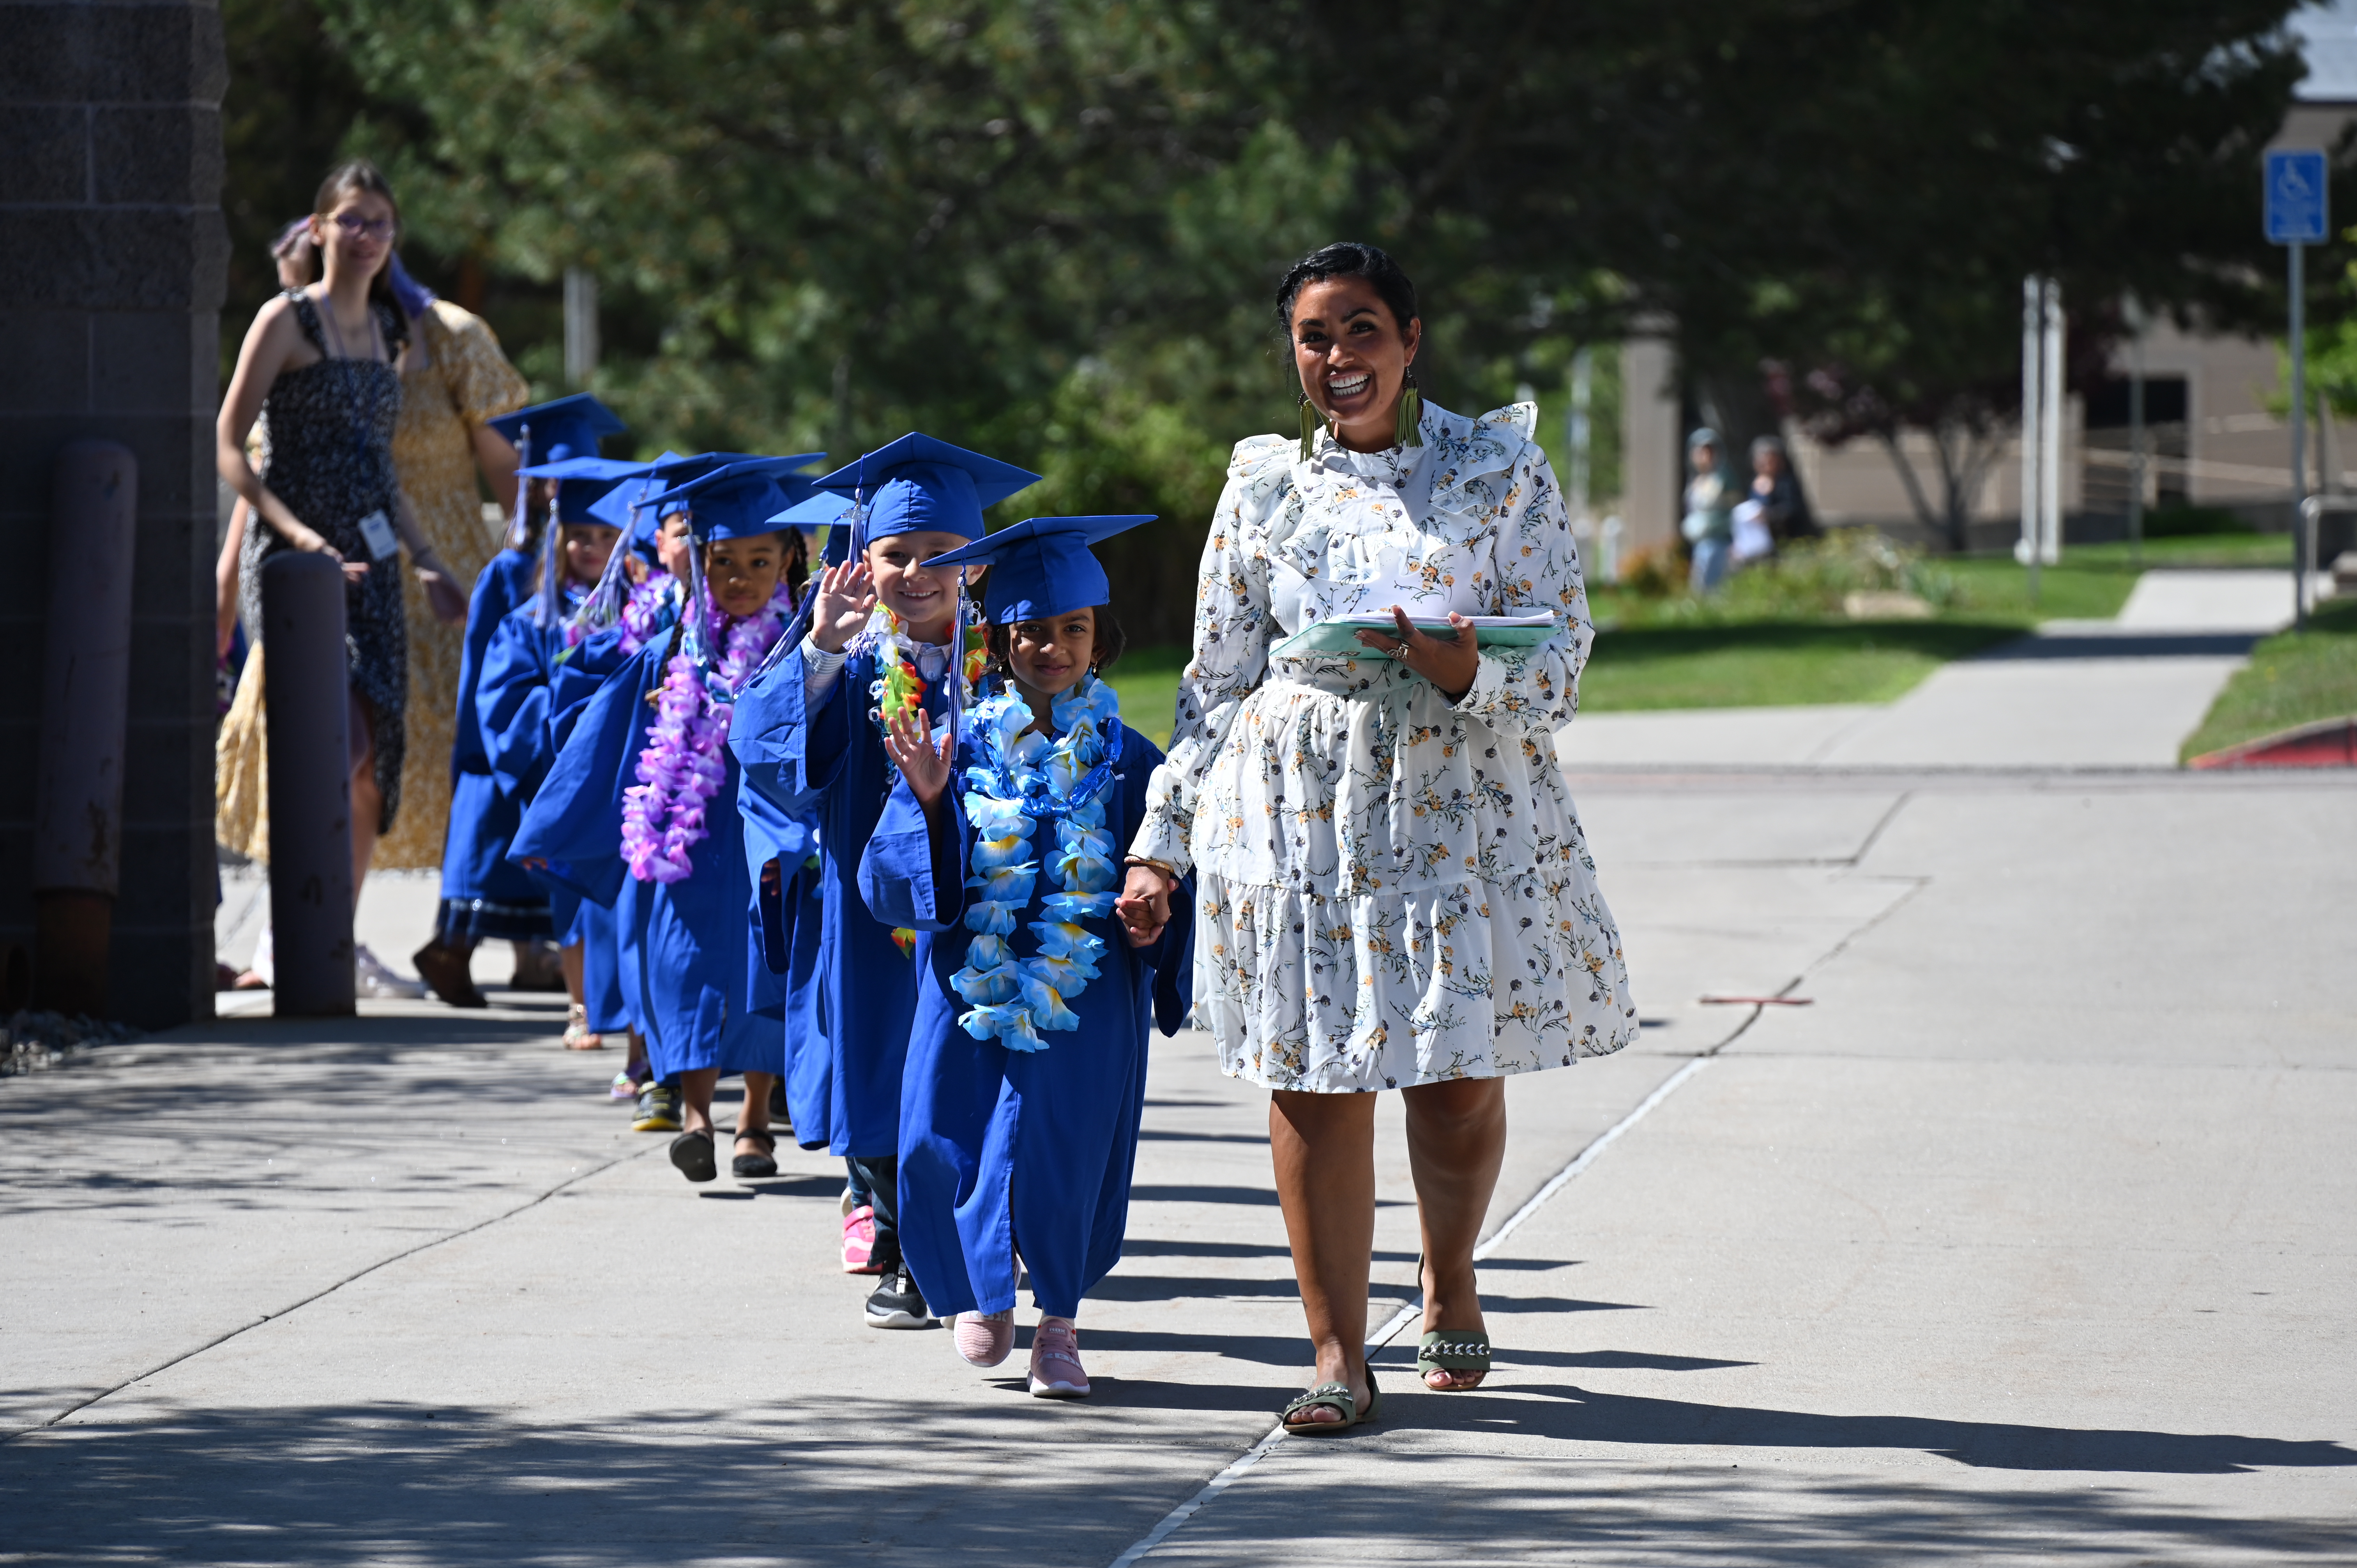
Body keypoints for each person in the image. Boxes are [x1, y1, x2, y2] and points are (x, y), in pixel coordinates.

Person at [1115, 241, 1638, 1433]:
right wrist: (1161, 845)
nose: (1338, 357)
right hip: (1300, 813)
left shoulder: (1505, 470)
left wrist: (1468, 672)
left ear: (1411, 340)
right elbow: (1216, 681)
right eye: (1315, 336)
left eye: (1361, 330)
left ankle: (1451, 1273)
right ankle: (1336, 1355)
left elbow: (1560, 664)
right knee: (1313, 1082)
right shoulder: (1261, 488)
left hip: (1463, 803)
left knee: (1454, 1085)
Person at [863, 514, 1193, 1398]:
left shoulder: (1133, 763)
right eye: (1033, 631)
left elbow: (1168, 867)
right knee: (952, 1125)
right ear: (1001, 640)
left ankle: (1058, 1321)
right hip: (971, 982)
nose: (1053, 645)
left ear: (1100, 637)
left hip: (1087, 992)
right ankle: (979, 1286)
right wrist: (932, 805)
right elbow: (895, 880)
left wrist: (1154, 909)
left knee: (1071, 1145)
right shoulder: (958, 747)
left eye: (1073, 628)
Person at [729, 435, 1041, 1330]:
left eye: (941, 553)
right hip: (871, 920)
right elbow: (767, 747)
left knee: (980, 1069)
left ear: (973, 566)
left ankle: (983, 1233)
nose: (918, 572)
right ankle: (906, 1247)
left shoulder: (1009, 665)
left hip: (985, 906)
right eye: (896, 554)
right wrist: (821, 645)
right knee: (888, 1072)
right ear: (861, 562)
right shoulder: (851, 661)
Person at [513, 457, 819, 1182]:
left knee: (759, 969)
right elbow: (599, 732)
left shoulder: (798, 652)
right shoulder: (669, 654)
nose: (739, 577)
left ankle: (752, 1121)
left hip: (762, 840)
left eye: (758, 561)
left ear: (786, 564)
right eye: (721, 563)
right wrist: (557, 824)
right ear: (697, 566)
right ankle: (693, 1117)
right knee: (680, 972)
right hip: (685, 843)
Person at [214, 160, 468, 996]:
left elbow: (383, 474)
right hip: (297, 565)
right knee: (329, 741)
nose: (366, 237)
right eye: (352, 220)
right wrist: (298, 538)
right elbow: (230, 444)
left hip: (374, 565)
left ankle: (333, 930)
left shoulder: (389, 338)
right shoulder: (286, 320)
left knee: (372, 756)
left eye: (381, 223)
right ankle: (290, 933)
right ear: (318, 228)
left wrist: (431, 561)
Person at [411, 394, 627, 1008]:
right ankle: (453, 951)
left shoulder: (618, 576)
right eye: (558, 482)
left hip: (565, 747)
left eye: (585, 479)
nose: (568, 492)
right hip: (509, 739)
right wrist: (500, 741)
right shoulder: (513, 573)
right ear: (536, 482)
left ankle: (538, 961)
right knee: (489, 842)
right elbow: (486, 664)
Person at [374, 255, 532, 883]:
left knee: (469, 745)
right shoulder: (302, 333)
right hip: (350, 570)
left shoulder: (452, 335)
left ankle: (481, 921)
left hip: (451, 581)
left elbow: (507, 465)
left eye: (375, 222)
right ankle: (307, 935)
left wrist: (532, 562)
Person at [475, 472, 631, 1049]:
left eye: (606, 534)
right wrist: (579, 711)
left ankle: (632, 1011)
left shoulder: (639, 613)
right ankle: (581, 1006)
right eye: (580, 534)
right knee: (573, 894)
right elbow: (506, 706)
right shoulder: (531, 621)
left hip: (627, 778)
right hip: (568, 774)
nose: (592, 546)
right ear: (557, 538)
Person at [1682, 428, 1736, 593]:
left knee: (1713, 589)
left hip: (1719, 542)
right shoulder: (1696, 480)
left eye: (1710, 452)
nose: (1705, 456)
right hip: (1699, 543)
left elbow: (1735, 510)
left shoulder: (1724, 478)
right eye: (1701, 452)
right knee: (1699, 587)